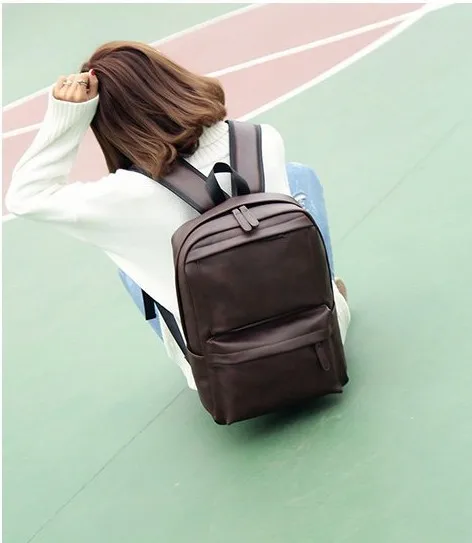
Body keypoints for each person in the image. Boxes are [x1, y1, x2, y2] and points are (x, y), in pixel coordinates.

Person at [6, 41, 350, 390]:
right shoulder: (262, 138)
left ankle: (196, 357)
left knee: (130, 265)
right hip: (320, 341)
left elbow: (25, 196)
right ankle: (330, 300)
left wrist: (68, 115)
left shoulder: (122, 197)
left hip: (228, 380)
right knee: (297, 176)